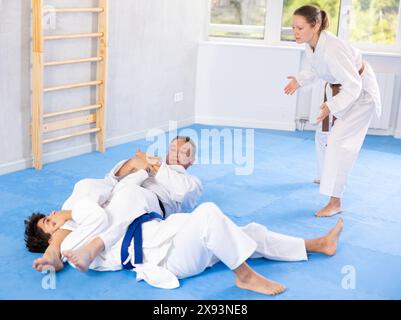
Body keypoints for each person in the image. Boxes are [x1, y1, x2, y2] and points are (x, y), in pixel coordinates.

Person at [26, 186, 344, 296]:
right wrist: (55, 249)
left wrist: (67, 215)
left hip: (177, 232)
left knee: (249, 231)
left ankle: (317, 244)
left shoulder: (82, 219)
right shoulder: (72, 242)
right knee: (208, 214)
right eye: (49, 222)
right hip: (167, 257)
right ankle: (244, 275)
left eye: (51, 213)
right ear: (51, 235)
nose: (56, 215)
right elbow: (69, 237)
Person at [284, 5, 381, 217]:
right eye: (293, 28)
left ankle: (335, 201)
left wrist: (331, 105)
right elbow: (316, 70)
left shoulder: (332, 49)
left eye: (300, 28)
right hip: (343, 91)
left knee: (338, 141)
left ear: (315, 25)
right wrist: (299, 80)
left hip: (361, 94)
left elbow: (354, 85)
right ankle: (326, 176)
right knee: (323, 135)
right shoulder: (312, 45)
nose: (295, 32)